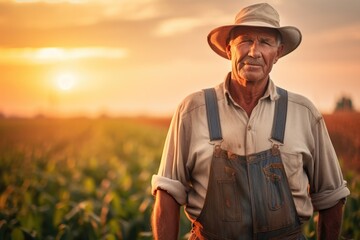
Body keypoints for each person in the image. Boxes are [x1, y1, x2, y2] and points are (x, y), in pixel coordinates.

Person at [151, 3, 350, 240]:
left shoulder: (304, 113)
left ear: (278, 53)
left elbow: (331, 197)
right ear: (229, 49)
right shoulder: (193, 110)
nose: (254, 52)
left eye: (265, 42)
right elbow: (167, 194)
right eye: (245, 40)